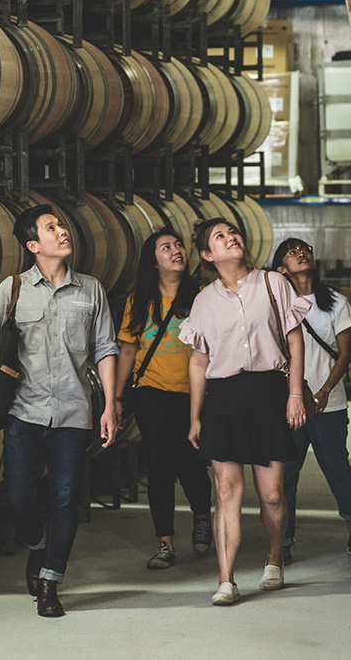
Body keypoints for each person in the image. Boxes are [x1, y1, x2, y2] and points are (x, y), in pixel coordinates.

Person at [0, 204, 119, 620]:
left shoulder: (91, 290)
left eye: (62, 224)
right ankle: (36, 546)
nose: (63, 230)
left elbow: (106, 348)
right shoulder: (13, 288)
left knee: (67, 498)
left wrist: (109, 404)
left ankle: (50, 581)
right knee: (18, 498)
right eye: (52, 228)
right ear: (34, 245)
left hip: (74, 412)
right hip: (24, 412)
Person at [179, 218, 311, 606]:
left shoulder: (273, 283)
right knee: (226, 490)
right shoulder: (204, 301)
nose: (231, 237)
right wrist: (195, 416)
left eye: (233, 232)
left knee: (271, 494)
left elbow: (294, 340)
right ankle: (226, 579)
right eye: (220, 237)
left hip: (269, 391)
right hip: (223, 396)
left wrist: (295, 394)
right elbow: (199, 362)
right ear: (208, 254)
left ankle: (274, 558)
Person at [115, 226, 213, 570]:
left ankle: (202, 515)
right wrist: (116, 396)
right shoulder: (138, 300)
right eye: (165, 247)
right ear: (153, 262)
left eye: (178, 245)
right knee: (159, 468)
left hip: (192, 396)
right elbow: (128, 349)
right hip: (150, 393)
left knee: (191, 468)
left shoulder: (203, 296)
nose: (176, 251)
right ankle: (165, 543)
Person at [272, 237, 351, 563]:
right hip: (290, 404)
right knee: (287, 475)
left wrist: (322, 392)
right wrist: (296, 393)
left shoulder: (335, 302)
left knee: (337, 468)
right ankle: (284, 540)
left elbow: (344, 355)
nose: (301, 253)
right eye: (292, 252)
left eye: (305, 249)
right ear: (281, 268)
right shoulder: (276, 304)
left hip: (329, 403)